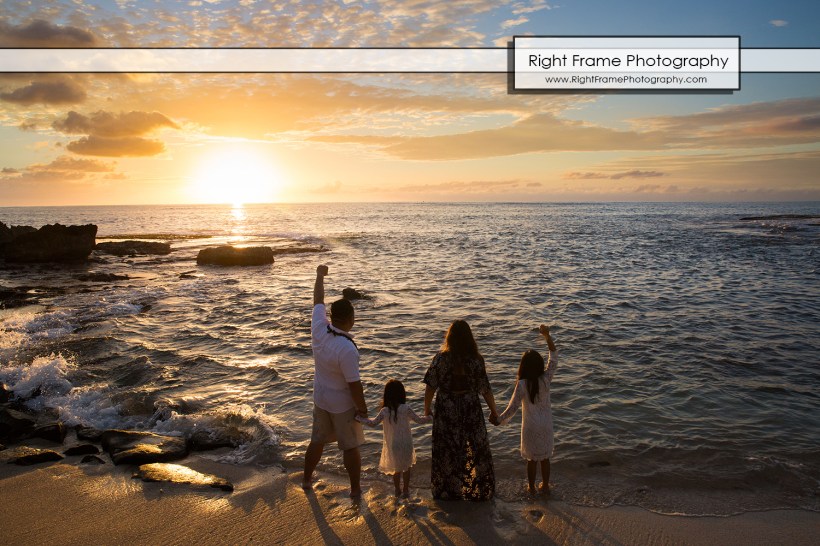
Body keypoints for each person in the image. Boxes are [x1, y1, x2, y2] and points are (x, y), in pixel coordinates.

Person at [303, 265, 368, 497]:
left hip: (320, 399)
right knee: (350, 447)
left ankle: (306, 480)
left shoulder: (319, 327)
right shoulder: (347, 348)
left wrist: (319, 275)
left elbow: (318, 298)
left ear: (331, 316)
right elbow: (354, 385)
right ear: (352, 318)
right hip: (341, 405)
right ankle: (355, 489)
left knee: (317, 441)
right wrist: (362, 409)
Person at [423, 319, 498, 501]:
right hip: (470, 407)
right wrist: (494, 411)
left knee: (447, 448)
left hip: (446, 408)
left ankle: (449, 490)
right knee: (476, 447)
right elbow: (485, 389)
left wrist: (427, 408)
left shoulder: (440, 358)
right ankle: (480, 489)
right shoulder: (476, 360)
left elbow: (431, 386)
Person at [496, 324, 558, 495]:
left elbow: (512, 408)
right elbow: (553, 358)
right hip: (545, 426)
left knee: (531, 460)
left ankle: (531, 487)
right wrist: (547, 336)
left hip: (530, 427)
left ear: (522, 367)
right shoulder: (546, 380)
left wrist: (499, 419)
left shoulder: (522, 384)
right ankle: (545, 486)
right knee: (545, 459)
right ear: (539, 367)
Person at [357, 379, 432, 497]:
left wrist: (359, 418)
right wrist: (430, 417)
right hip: (406, 443)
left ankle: (397, 490)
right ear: (402, 394)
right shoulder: (406, 408)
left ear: (386, 395)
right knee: (407, 467)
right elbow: (419, 420)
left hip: (394, 444)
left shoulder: (385, 411)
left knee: (397, 469)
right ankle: (406, 490)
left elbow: (373, 423)